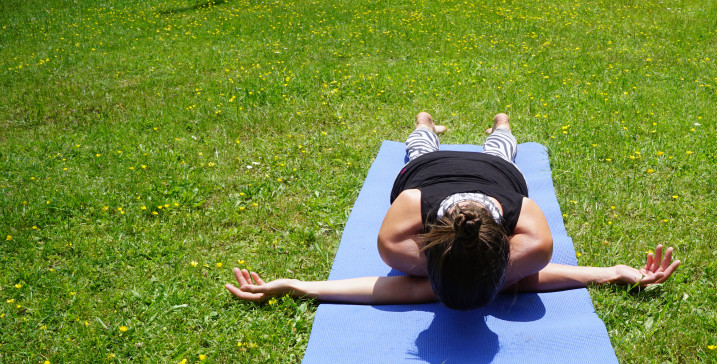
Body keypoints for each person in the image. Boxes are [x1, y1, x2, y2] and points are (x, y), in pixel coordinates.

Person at [225, 112, 680, 308]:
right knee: (423, 146)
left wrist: (298, 285)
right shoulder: (400, 239)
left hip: (478, 172)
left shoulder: (527, 247)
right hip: (438, 172)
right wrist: (613, 272)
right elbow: (386, 290)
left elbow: (384, 293)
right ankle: (429, 124)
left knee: (498, 150)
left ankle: (496, 125)